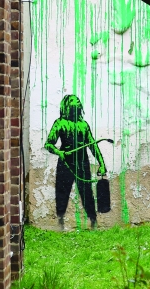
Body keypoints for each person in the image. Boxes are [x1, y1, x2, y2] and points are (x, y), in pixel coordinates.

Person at [44, 94, 106, 229]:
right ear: (67, 107)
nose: (76, 105)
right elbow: (48, 144)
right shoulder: (59, 123)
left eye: (78, 104)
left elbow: (92, 145)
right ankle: (60, 221)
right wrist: (60, 152)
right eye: (73, 104)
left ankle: (93, 220)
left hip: (82, 163)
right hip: (65, 163)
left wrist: (102, 163)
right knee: (62, 192)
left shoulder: (83, 125)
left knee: (87, 192)